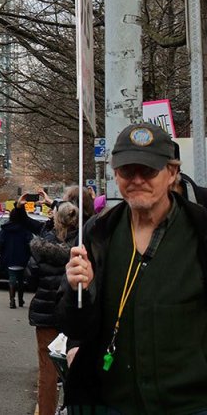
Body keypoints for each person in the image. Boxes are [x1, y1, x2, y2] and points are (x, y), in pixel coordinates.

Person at [61, 123, 207, 413]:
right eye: (128, 171)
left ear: (172, 173)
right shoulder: (98, 233)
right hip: (113, 402)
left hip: (190, 405)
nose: (137, 179)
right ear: (115, 174)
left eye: (149, 170)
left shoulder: (200, 230)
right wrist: (78, 291)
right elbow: (75, 325)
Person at [26, 201, 77, 415]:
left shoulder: (42, 246)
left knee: (47, 371)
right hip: (74, 313)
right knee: (75, 366)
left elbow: (31, 275)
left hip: (46, 313)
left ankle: (46, 411)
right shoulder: (82, 244)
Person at [0, 204, 34, 309]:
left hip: (9, 257)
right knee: (21, 279)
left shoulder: (5, 229)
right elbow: (30, 242)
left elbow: (0, 243)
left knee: (12, 278)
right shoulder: (25, 229)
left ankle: (12, 300)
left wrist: (3, 253)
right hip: (22, 257)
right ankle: (20, 300)